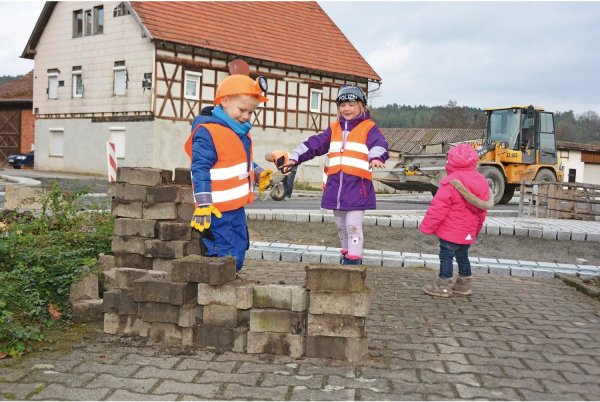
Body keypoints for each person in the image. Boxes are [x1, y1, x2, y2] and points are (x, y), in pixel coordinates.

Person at [279, 85, 389, 265]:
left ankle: (354, 261)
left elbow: (380, 144)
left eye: (351, 104)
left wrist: (376, 156)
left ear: (361, 105)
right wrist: (295, 157)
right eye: (343, 105)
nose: (346, 109)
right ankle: (346, 255)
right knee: (340, 227)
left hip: (356, 187)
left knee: (353, 226)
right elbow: (314, 144)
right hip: (336, 187)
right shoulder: (334, 128)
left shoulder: (369, 128)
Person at [184, 74, 272, 271]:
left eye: (251, 112)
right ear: (224, 101)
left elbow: (239, 160)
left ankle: (233, 278)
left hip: (236, 206)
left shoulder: (238, 130)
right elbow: (199, 169)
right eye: (242, 110)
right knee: (225, 249)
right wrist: (204, 203)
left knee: (240, 245)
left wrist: (258, 173)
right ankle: (221, 286)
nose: (246, 116)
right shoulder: (207, 131)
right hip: (216, 209)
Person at [419, 143, 491, 297]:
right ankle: (464, 285)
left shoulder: (450, 182)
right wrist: (476, 230)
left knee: (446, 256)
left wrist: (427, 227)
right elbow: (482, 212)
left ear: (450, 162)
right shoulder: (482, 182)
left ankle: (443, 286)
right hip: (468, 232)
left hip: (450, 232)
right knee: (463, 255)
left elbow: (438, 208)